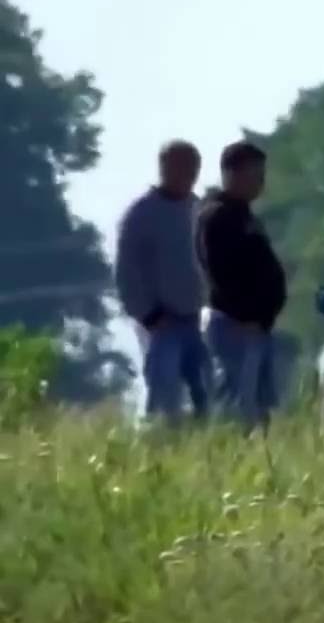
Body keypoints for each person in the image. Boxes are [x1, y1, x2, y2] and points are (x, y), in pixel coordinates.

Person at [114, 140, 210, 425]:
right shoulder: (141, 215)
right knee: (164, 392)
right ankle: (159, 443)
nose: (186, 174)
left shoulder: (199, 210)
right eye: (180, 166)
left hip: (195, 318)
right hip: (159, 323)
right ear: (164, 167)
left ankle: (206, 441)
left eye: (192, 168)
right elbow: (126, 272)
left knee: (205, 389)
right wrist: (149, 314)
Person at [196, 141, 287, 430]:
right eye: (254, 174)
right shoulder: (218, 216)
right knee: (237, 404)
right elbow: (221, 272)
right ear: (231, 174)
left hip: (256, 327)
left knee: (258, 405)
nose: (260, 182)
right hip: (234, 325)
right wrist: (246, 315)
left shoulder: (246, 216)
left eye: (262, 175)